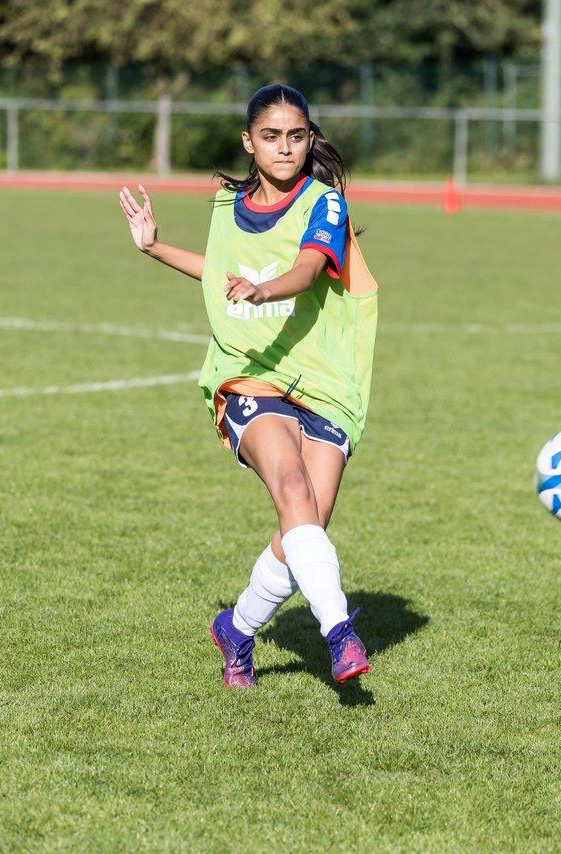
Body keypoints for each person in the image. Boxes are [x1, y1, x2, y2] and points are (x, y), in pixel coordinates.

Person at [117, 84, 379, 689]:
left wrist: (264, 289)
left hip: (324, 379)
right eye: (270, 136)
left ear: (309, 139)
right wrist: (154, 246)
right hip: (248, 373)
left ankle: (236, 630)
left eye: (295, 136)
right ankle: (340, 635)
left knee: (306, 522)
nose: (284, 148)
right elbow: (220, 277)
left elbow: (309, 269)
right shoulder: (223, 206)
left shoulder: (326, 205)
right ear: (248, 142)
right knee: (290, 486)